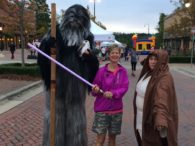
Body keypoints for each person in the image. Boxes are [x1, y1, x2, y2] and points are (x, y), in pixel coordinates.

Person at [133, 50, 178, 146]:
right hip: (142, 118)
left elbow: (161, 98)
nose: (152, 62)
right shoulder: (149, 72)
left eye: (156, 59)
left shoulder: (164, 77)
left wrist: (160, 119)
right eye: (151, 59)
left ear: (162, 61)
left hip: (152, 121)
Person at [91, 44, 129, 146]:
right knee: (100, 140)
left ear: (120, 54)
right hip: (102, 110)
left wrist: (113, 94)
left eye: (117, 53)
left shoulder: (123, 72)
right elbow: (94, 90)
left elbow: (124, 88)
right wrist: (95, 89)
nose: (115, 55)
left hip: (116, 110)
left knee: (112, 140)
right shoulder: (101, 71)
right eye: (112, 53)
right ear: (109, 54)